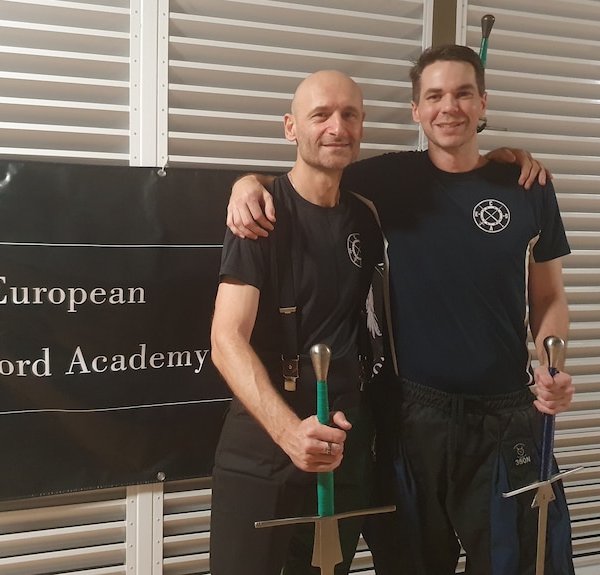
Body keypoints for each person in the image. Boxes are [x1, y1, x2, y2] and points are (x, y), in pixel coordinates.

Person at [225, 45, 576, 575]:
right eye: (433, 96)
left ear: (483, 102)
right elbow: (310, 172)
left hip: (507, 419)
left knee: (525, 563)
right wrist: (245, 184)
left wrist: (553, 363)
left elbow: (548, 297)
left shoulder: (527, 186)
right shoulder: (383, 182)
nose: (448, 108)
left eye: (463, 94)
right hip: (413, 418)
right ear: (416, 110)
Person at [209, 70, 385, 575]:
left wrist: (507, 157)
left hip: (340, 438)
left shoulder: (366, 217)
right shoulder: (259, 214)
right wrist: (290, 434)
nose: (337, 126)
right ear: (291, 128)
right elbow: (225, 340)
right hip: (263, 444)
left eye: (349, 114)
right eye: (321, 114)